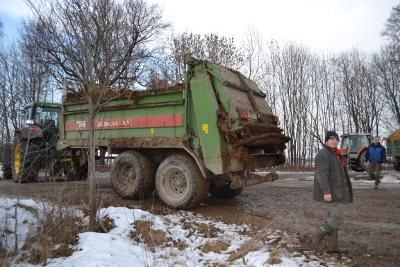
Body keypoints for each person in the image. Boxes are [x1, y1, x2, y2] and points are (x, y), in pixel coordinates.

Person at [312, 131, 353, 253]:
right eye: (331, 140)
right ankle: (316, 235)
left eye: (336, 139)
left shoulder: (335, 154)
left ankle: (333, 247)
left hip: (337, 192)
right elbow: (321, 175)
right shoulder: (324, 154)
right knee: (338, 217)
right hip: (330, 192)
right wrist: (326, 192)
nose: (334, 141)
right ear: (326, 141)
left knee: (332, 218)